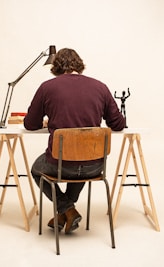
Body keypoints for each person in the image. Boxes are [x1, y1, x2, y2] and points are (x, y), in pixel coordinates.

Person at [24, 48, 126, 234]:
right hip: (95, 165)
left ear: (56, 67)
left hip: (61, 165)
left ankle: (67, 210)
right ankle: (66, 212)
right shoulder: (100, 87)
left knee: (37, 169)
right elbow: (118, 125)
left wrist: (48, 121)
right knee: (81, 158)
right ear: (79, 65)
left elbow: (30, 124)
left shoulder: (47, 88)